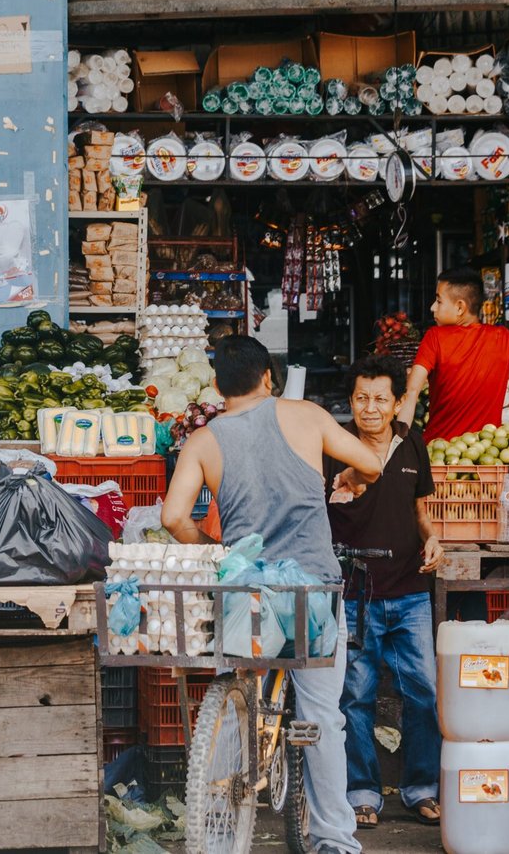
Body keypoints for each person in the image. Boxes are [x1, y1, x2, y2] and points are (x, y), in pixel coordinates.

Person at [162, 336, 384, 854]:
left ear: (218, 386)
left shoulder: (204, 440)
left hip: (247, 594)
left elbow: (174, 518)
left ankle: (225, 787)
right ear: (268, 377)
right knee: (322, 718)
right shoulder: (305, 415)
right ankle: (335, 839)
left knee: (242, 681)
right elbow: (371, 464)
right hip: (310, 593)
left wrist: (217, 549)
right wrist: (350, 474)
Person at [326, 356, 443, 831]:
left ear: (398, 403)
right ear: (350, 401)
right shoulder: (334, 446)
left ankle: (420, 789)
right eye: (360, 398)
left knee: (425, 694)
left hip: (411, 590)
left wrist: (432, 536)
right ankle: (362, 793)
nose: (369, 408)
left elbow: (419, 510)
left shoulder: (413, 443)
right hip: (355, 593)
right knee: (355, 697)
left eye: (379, 399)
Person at [397, 266, 509, 443]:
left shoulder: (434, 337)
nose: (432, 307)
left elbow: (412, 390)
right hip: (487, 454)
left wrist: (398, 445)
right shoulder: (505, 338)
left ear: (460, 307)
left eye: (439, 301)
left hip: (440, 453)